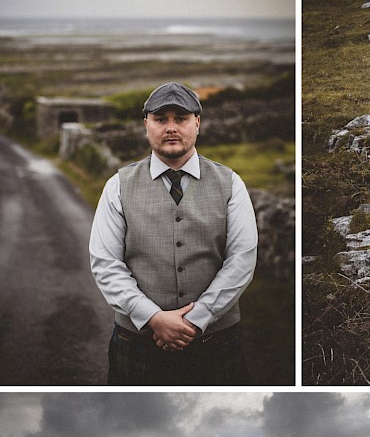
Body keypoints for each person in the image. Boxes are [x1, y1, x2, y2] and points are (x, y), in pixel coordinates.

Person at [89, 82, 259, 385]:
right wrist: (153, 318)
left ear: (197, 123)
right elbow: (106, 263)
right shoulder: (118, 185)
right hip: (137, 342)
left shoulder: (230, 183)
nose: (171, 128)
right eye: (160, 119)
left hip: (215, 341)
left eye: (180, 118)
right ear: (146, 125)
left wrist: (196, 319)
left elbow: (241, 260)